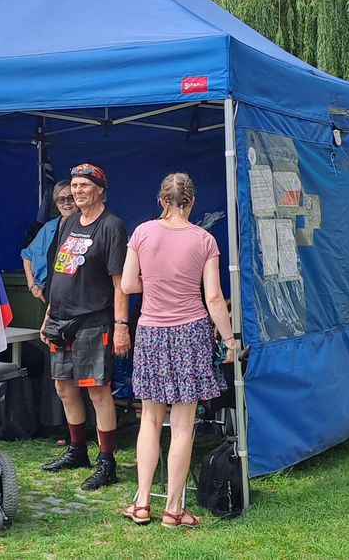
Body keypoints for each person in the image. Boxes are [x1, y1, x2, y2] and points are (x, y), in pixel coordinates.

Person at [119, 172, 235, 528]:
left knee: (150, 420)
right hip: (191, 334)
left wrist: (153, 281)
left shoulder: (141, 233)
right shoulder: (204, 240)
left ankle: (141, 504)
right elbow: (214, 297)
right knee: (183, 425)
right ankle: (173, 509)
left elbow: (126, 284)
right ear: (192, 202)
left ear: (161, 200)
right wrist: (229, 341)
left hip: (151, 332)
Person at [39, 163, 130, 490]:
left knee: (97, 390)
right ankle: (77, 450)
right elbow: (60, 271)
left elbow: (120, 283)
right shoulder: (69, 222)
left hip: (94, 318)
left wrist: (121, 325)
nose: (77, 192)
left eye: (84, 186)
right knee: (63, 386)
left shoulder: (111, 226)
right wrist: (49, 312)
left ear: (100, 189)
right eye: (74, 186)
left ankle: (107, 462)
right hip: (61, 318)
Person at [21, 180, 77, 303]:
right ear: (56, 203)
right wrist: (32, 285)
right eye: (61, 199)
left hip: (79, 297)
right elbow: (27, 255)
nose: (66, 203)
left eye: (70, 198)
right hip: (52, 296)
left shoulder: (87, 225)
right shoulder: (49, 227)